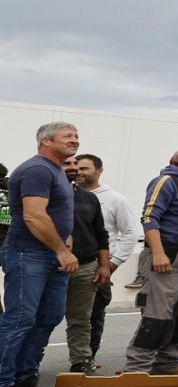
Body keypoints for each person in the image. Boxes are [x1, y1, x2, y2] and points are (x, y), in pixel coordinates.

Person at [0, 122, 80, 387]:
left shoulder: (57, 171)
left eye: (76, 136)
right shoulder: (37, 169)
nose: (75, 140)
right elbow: (34, 216)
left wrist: (66, 238)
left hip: (50, 254)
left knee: (49, 316)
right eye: (67, 136)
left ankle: (24, 374)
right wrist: (61, 249)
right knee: (20, 318)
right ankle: (2, 383)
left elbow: (57, 212)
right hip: (28, 254)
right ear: (45, 141)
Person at [125, 140, 178, 378]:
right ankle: (137, 369)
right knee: (158, 315)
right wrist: (158, 253)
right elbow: (149, 218)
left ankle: (167, 362)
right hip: (167, 255)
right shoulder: (165, 181)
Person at [73, 154, 140, 371]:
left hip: (97, 266)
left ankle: (87, 359)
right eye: (77, 167)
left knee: (93, 316)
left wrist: (111, 264)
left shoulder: (115, 199)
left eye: (85, 168)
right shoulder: (66, 194)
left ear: (99, 170)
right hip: (64, 266)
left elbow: (129, 233)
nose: (80, 172)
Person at [62, 159, 110, 375]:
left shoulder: (89, 199)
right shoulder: (44, 194)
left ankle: (81, 362)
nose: (74, 169)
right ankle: (26, 365)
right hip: (50, 266)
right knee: (39, 319)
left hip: (85, 266)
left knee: (81, 319)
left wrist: (104, 266)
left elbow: (101, 234)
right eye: (68, 164)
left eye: (78, 165)